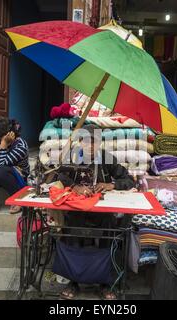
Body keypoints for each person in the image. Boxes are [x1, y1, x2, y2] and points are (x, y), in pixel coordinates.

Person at [56, 124, 134, 300]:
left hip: (101, 211)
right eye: (87, 142)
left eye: (95, 142)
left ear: (100, 144)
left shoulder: (107, 159)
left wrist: (111, 185)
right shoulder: (73, 157)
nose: (90, 146)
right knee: (72, 228)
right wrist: (74, 186)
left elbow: (128, 179)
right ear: (81, 142)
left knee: (109, 230)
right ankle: (73, 281)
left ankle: (104, 283)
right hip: (78, 210)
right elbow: (59, 176)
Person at [0, 117, 30, 215]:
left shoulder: (21, 147)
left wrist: (3, 145)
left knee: (0, 170)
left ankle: (17, 198)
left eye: (2, 137)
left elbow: (1, 165)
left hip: (17, 178)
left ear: (12, 134)